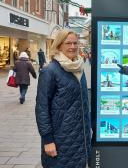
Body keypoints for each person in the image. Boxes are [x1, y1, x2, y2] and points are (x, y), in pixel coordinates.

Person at [35, 29, 91, 168]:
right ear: (59, 45)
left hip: (81, 137)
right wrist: (47, 140)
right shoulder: (50, 71)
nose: (72, 47)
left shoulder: (79, 68)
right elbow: (42, 108)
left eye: (75, 43)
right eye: (68, 43)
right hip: (61, 139)